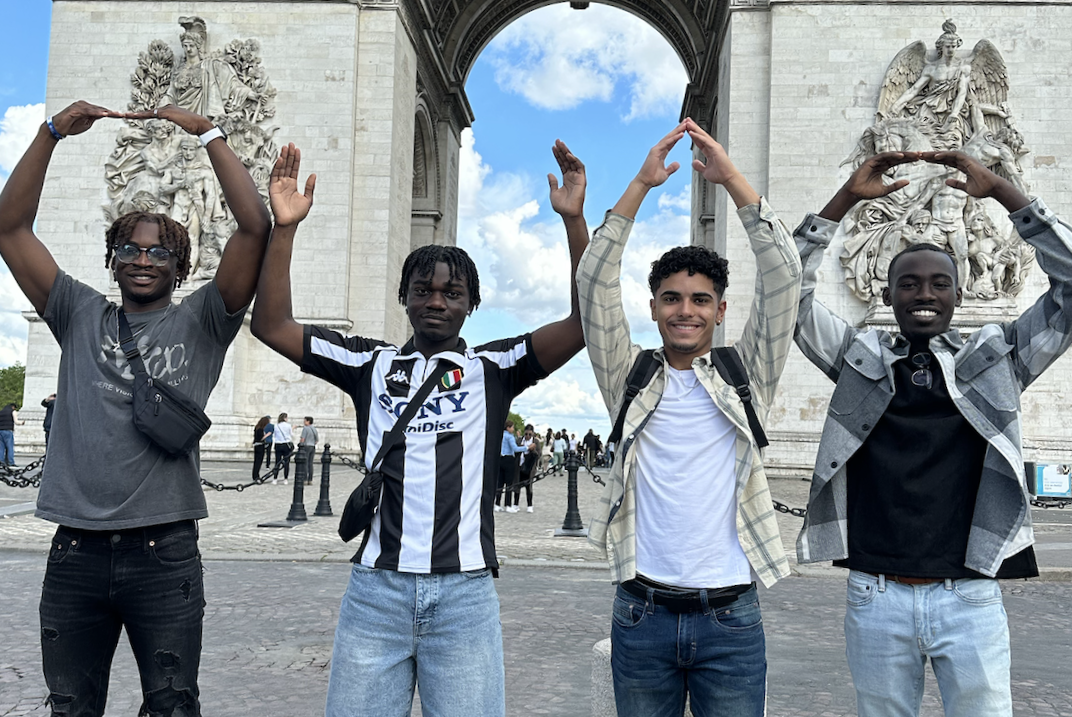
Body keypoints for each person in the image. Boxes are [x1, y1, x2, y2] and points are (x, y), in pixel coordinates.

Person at [249, 139, 589, 716]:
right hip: (375, 593)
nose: (437, 301)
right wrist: (284, 229)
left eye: (452, 293)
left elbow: (584, 323)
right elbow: (271, 323)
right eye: (424, 290)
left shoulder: (494, 369)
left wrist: (574, 222)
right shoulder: (369, 364)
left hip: (465, 596)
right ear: (403, 296)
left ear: (472, 304)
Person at [0, 99, 272, 716]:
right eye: (130, 249)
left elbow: (255, 227)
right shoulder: (76, 312)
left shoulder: (206, 320)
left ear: (182, 266)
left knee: (173, 706)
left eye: (158, 252)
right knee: (69, 708)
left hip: (164, 551)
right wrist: (48, 136)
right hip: (75, 552)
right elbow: (9, 228)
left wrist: (210, 134)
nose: (143, 259)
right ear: (111, 260)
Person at [792, 149, 1070, 716]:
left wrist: (1004, 192)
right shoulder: (855, 358)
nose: (924, 294)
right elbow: (783, 297)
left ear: (959, 295)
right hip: (875, 595)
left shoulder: (999, 360)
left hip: (970, 596)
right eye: (909, 283)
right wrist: (844, 199)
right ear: (886, 294)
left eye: (939, 283)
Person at [577, 118, 800, 717]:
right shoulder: (627, 374)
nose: (685, 311)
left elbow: (785, 277)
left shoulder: (747, 372)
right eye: (671, 298)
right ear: (652, 308)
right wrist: (639, 187)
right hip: (640, 611)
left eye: (701, 300)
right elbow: (594, 282)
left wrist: (731, 180)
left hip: (731, 615)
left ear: (721, 310)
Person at [496, 420, 526, 513]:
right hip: (509, 460)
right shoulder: (509, 437)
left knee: (500, 483)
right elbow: (515, 449)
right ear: (508, 428)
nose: (513, 429)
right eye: (512, 427)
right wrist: (527, 447)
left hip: (500, 459)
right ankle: (508, 505)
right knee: (509, 483)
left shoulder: (501, 435)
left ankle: (497, 504)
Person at [272, 412, 293, 485]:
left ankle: (275, 478)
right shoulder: (288, 426)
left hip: (278, 444)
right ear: (285, 418)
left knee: (277, 462)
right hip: (286, 445)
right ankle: (285, 479)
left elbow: (274, 435)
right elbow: (291, 435)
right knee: (286, 462)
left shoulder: (276, 426)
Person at [298, 416, 318, 484]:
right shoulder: (314, 429)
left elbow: (303, 438)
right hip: (312, 446)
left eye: (305, 420)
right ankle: (310, 479)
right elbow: (316, 440)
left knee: (305, 463)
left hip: (306, 446)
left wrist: (300, 444)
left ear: (308, 421)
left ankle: (305, 479)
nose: (304, 422)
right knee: (310, 463)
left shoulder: (305, 428)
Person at [252, 415, 271, 481]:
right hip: (260, 446)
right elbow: (260, 438)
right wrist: (267, 435)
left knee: (256, 461)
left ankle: (255, 475)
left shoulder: (257, 427)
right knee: (259, 461)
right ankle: (256, 476)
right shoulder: (260, 429)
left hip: (256, 446)